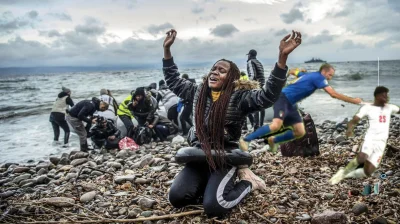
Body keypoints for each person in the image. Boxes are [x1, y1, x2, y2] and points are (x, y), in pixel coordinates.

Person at [163, 29, 302, 217]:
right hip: (199, 153)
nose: (215, 72)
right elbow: (173, 80)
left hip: (224, 157)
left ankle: (248, 184)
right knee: (177, 198)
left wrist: (281, 58)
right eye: (214, 69)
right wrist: (167, 50)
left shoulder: (240, 98)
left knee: (215, 207)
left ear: (231, 78)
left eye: (222, 71)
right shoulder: (197, 92)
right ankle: (206, 182)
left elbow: (268, 95)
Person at [240, 63, 362, 153]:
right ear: (324, 72)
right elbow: (333, 94)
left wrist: (291, 73)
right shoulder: (319, 78)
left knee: (299, 131)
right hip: (283, 98)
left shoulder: (308, 75)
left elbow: (293, 71)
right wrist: (353, 100)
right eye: (330, 75)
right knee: (276, 125)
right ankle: (246, 139)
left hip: (291, 103)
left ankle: (273, 140)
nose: (330, 77)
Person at [330, 86, 400, 184]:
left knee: (368, 172)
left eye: (387, 95)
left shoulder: (390, 107)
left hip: (382, 142)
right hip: (371, 138)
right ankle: (342, 174)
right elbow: (353, 121)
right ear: (377, 96)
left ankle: (350, 174)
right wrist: (350, 129)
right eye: (383, 95)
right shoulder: (367, 108)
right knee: (362, 157)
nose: (386, 97)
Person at [247, 49, 265, 130]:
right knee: (261, 104)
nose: (248, 56)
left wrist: (249, 84)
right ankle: (261, 125)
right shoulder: (259, 62)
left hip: (256, 84)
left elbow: (252, 75)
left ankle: (256, 126)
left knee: (255, 104)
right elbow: (262, 73)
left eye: (248, 55)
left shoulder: (250, 62)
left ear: (250, 55)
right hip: (262, 84)